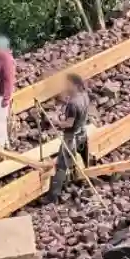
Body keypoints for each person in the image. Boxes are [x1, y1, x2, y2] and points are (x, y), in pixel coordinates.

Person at [45, 72, 90, 203]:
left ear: (74, 84)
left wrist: (56, 121)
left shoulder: (73, 104)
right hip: (82, 133)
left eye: (67, 83)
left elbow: (69, 123)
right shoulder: (84, 96)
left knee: (61, 165)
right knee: (83, 158)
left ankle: (53, 196)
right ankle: (83, 180)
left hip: (71, 137)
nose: (65, 86)